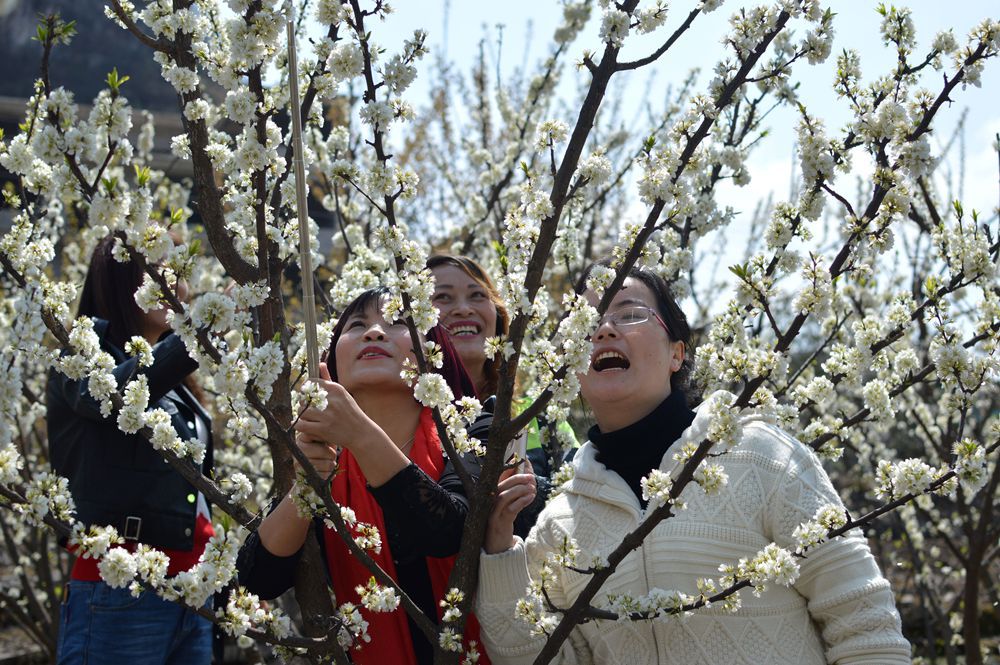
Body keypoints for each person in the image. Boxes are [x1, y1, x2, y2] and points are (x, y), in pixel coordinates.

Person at [474, 262, 911, 664]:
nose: (604, 329)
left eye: (628, 313)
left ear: (677, 354)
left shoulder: (761, 457)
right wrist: (499, 550)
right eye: (587, 321)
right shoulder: (560, 526)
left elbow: (865, 623)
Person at [237, 287, 490, 665]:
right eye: (357, 325)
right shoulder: (321, 456)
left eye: (397, 323)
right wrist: (306, 489)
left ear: (433, 353)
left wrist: (359, 433)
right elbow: (260, 578)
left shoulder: (472, 428)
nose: (374, 332)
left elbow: (449, 530)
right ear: (332, 361)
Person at [48, 236, 215, 664]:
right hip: (120, 587)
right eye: (157, 269)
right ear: (119, 276)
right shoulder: (83, 352)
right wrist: (197, 334)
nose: (172, 283)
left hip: (192, 590)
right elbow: (107, 399)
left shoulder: (176, 381)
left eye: (179, 272)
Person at [427, 254, 577, 476]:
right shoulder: (400, 417)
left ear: (498, 316)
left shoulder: (540, 417)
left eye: (477, 295)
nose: (463, 308)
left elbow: (576, 493)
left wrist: (533, 492)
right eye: (443, 296)